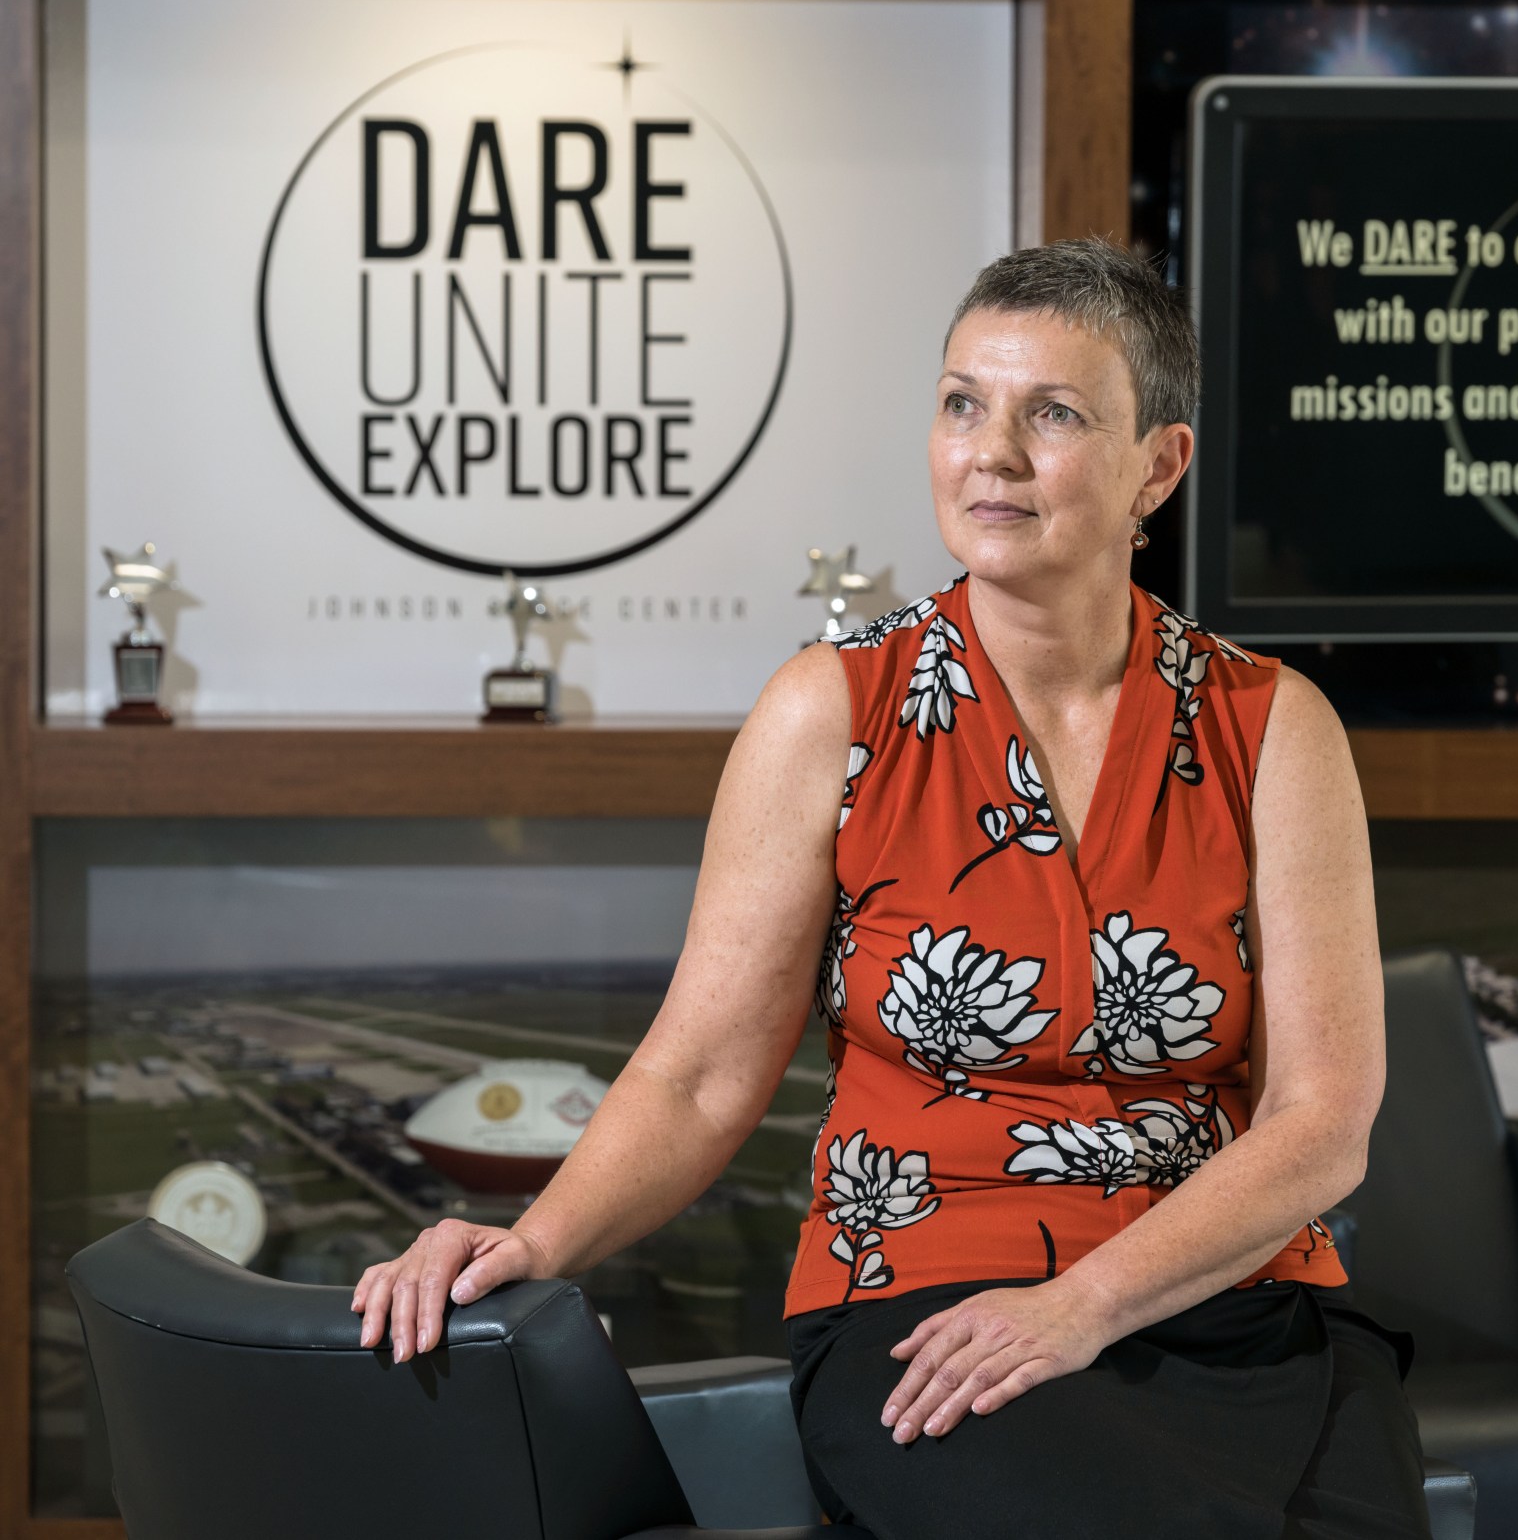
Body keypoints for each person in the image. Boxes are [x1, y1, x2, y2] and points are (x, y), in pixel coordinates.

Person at [352, 238, 1429, 1539]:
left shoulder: (1274, 726)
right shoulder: (831, 712)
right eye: (963, 402)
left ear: (1162, 465)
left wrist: (1084, 1305)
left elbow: (1323, 1123)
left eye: (1056, 414)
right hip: (931, 1306)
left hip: (1237, 1300)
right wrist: (536, 1239)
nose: (993, 451)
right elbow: (696, 1075)